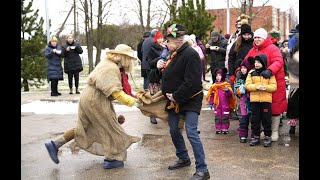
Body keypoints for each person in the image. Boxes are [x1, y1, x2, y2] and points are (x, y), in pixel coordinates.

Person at [44, 44, 141, 169]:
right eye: (129, 59)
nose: (130, 63)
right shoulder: (111, 68)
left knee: (85, 126)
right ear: (123, 58)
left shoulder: (108, 63)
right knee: (111, 128)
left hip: (89, 97)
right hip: (96, 100)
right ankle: (113, 158)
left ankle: (55, 144)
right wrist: (133, 102)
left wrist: (132, 98)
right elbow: (116, 92)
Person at [156, 23, 210, 180]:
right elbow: (171, 75)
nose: (166, 44)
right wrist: (159, 67)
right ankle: (183, 158)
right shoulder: (174, 54)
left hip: (190, 98)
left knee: (192, 132)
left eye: (168, 41)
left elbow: (192, 81)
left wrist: (177, 96)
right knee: (173, 130)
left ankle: (202, 169)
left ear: (178, 41)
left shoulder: (190, 54)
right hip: (175, 100)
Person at [244, 28, 287, 142]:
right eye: (256, 37)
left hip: (273, 81)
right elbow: (246, 62)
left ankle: (274, 131)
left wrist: (269, 70)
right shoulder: (253, 50)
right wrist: (241, 69)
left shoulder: (273, 48)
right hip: (258, 85)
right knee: (260, 109)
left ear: (264, 38)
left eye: (259, 37)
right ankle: (264, 131)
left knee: (274, 107)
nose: (257, 39)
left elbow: (278, 61)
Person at [244, 54, 277, 147]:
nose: (256, 64)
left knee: (266, 119)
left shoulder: (269, 74)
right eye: (255, 62)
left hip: (266, 101)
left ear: (263, 63)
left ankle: (267, 136)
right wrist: (256, 87)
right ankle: (256, 136)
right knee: (255, 119)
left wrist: (265, 87)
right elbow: (247, 85)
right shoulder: (251, 73)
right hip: (255, 101)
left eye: (258, 62)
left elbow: (274, 86)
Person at [205, 67, 236, 134]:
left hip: (225, 104)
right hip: (217, 105)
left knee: (225, 117)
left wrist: (228, 91)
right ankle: (218, 128)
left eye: (220, 75)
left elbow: (230, 95)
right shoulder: (214, 86)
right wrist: (211, 102)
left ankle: (225, 128)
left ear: (223, 76)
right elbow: (212, 95)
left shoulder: (226, 85)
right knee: (217, 117)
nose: (218, 77)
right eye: (217, 75)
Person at [146, 29, 165, 124]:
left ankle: (163, 115)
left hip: (163, 76)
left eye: (162, 38)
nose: (161, 40)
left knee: (162, 97)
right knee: (154, 98)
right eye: (159, 38)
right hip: (154, 77)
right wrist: (160, 59)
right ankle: (152, 116)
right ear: (156, 39)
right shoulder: (152, 49)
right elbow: (150, 63)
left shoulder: (164, 48)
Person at [234, 60, 251, 143]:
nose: (243, 70)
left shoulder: (252, 77)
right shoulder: (240, 79)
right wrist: (239, 90)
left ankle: (255, 135)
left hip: (251, 103)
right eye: (242, 68)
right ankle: (243, 135)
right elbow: (236, 90)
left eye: (245, 68)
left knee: (253, 120)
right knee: (243, 119)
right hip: (243, 103)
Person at [286, 37, 299, 134]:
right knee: (294, 103)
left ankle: (293, 126)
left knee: (294, 103)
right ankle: (292, 126)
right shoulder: (294, 52)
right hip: (295, 82)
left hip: (294, 82)